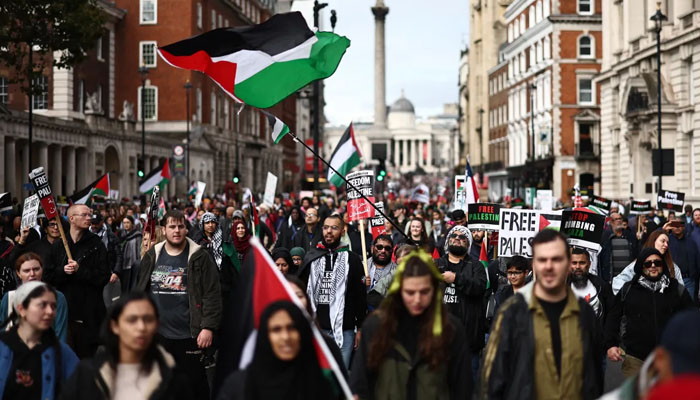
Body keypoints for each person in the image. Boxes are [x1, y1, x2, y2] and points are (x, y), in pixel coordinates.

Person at [481, 229, 604, 400]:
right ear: (534, 265)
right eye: (542, 259)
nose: (549, 266)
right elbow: (493, 378)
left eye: (556, 259)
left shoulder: (584, 314)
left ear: (568, 263)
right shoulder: (511, 312)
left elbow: (594, 377)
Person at [350, 251, 472, 399]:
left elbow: (462, 387)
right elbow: (360, 381)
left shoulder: (450, 329)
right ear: (399, 290)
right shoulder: (376, 326)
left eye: (424, 292)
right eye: (410, 292)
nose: (417, 300)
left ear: (434, 290)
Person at [134, 209, 222, 400]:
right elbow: (139, 291)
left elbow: (212, 295)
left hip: (190, 335)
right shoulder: (152, 255)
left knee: (193, 387)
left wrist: (208, 327)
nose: (176, 231)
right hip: (157, 335)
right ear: (164, 230)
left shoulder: (200, 256)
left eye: (181, 226)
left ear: (186, 229)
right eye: (172, 226)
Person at [59, 291, 193, 400]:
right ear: (115, 326)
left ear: (157, 325)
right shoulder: (88, 374)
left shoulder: (174, 380)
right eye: (132, 320)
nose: (141, 327)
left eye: (148, 319)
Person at [216, 301, 339, 400]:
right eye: (276, 330)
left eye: (291, 328)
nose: (285, 337)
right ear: (265, 336)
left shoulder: (319, 384)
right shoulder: (238, 386)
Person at [604, 248, 693, 377]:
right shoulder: (628, 290)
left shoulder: (676, 289)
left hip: (669, 358)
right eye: (648, 263)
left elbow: (691, 319)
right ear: (641, 266)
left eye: (657, 263)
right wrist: (611, 345)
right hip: (635, 358)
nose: (653, 266)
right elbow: (613, 317)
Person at [298, 214, 366, 368]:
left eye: (334, 228)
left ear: (342, 231)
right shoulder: (312, 256)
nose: (329, 231)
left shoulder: (352, 259)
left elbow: (360, 296)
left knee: (341, 377)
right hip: (317, 330)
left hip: (344, 331)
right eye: (326, 227)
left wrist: (360, 328)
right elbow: (300, 290)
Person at [45, 204, 110, 358]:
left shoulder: (96, 245)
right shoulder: (59, 245)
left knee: (85, 362)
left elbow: (103, 276)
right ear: (72, 219)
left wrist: (81, 271)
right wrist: (63, 271)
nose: (89, 218)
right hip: (64, 315)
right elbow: (47, 277)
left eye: (90, 215)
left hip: (88, 316)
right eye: (85, 215)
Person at [0, 281, 79, 400]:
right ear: (21, 309)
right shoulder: (3, 347)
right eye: (42, 305)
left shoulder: (62, 352)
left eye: (53, 306)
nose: (50, 312)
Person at [435, 224, 487, 379]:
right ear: (448, 241)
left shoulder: (476, 266)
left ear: (468, 243)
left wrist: (456, 279)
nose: (457, 239)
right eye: (454, 236)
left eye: (462, 237)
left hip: (468, 339)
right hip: (440, 339)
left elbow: (480, 287)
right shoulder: (436, 264)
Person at [0, 253, 67, 341]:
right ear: (18, 273)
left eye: (36, 269)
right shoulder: (9, 298)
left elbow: (61, 335)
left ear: (42, 270)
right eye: (26, 271)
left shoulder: (57, 297)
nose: (32, 274)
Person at [612, 230, 684, 294]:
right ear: (653, 241)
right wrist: (634, 295)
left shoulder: (672, 266)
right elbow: (617, 282)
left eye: (667, 242)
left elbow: (681, 289)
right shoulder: (638, 264)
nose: (666, 245)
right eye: (663, 241)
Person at [569, 248, 614, 327]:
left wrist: (606, 337)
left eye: (582, 263)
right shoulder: (560, 287)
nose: (578, 266)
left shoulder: (602, 286)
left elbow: (612, 314)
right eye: (574, 263)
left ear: (589, 264)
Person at [665, 216, 700, 300]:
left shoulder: (691, 242)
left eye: (679, 224)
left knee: (689, 307)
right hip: (672, 280)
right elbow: (653, 239)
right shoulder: (666, 241)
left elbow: (697, 261)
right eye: (675, 224)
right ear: (671, 226)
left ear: (683, 226)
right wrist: (663, 230)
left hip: (689, 280)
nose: (677, 227)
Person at [599, 212, 639, 282]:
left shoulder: (630, 236)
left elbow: (636, 253)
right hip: (611, 279)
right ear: (611, 222)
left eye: (620, 219)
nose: (619, 221)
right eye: (616, 219)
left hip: (628, 278)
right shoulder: (605, 237)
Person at [90, 213, 123, 287]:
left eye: (96, 223)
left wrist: (116, 272)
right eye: (92, 223)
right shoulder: (86, 234)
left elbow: (119, 255)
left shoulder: (111, 236)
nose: (93, 226)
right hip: (91, 275)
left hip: (108, 275)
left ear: (102, 222)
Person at [117, 215, 142, 293]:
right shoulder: (121, 235)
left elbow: (139, 250)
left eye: (128, 222)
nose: (126, 224)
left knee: (131, 288)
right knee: (124, 289)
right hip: (123, 266)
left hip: (133, 265)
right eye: (124, 223)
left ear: (132, 223)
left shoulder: (137, 235)